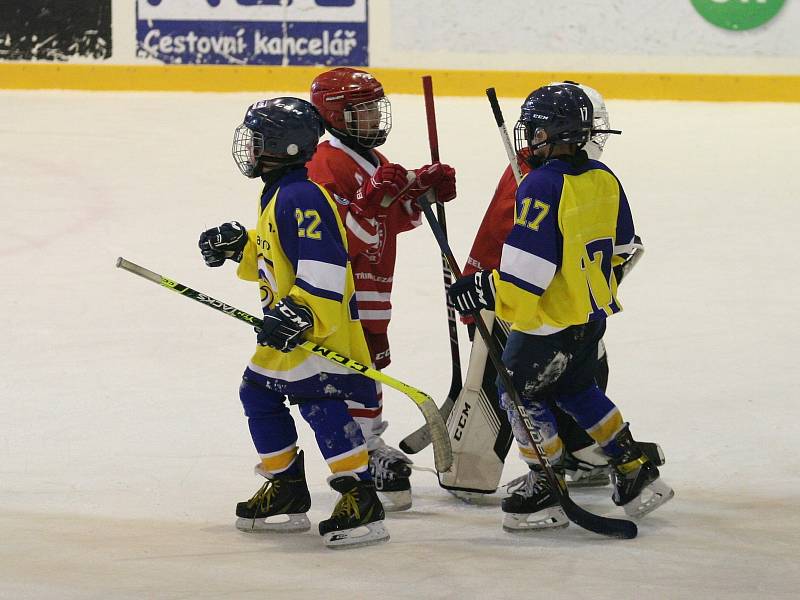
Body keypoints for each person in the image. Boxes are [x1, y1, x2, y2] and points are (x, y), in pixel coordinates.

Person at [447, 84, 673, 531]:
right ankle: (633, 469)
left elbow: (526, 271)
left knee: (519, 395)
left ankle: (546, 485)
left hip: (545, 324)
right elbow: (625, 246)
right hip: (589, 317)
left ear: (557, 132)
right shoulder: (605, 177)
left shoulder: (541, 185)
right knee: (576, 389)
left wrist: (483, 288)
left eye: (536, 130)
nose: (529, 138)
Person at [197, 97, 389, 548]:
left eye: (258, 140)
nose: (248, 147)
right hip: (292, 331)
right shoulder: (280, 191)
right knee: (260, 393)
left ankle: (358, 495)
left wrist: (300, 313)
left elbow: (324, 263)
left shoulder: (302, 195)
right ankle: (286, 486)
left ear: (283, 147)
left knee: (319, 404)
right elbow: (275, 253)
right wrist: (238, 247)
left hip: (315, 329)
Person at [307, 67, 457, 511]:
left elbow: (391, 219)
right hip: (341, 290)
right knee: (346, 370)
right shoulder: (324, 164)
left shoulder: (374, 160)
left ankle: (369, 444)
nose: (374, 118)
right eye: (362, 110)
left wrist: (422, 195)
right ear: (334, 114)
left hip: (374, 285)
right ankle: (361, 454)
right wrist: (369, 205)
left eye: (376, 107)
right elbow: (329, 239)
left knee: (368, 365)